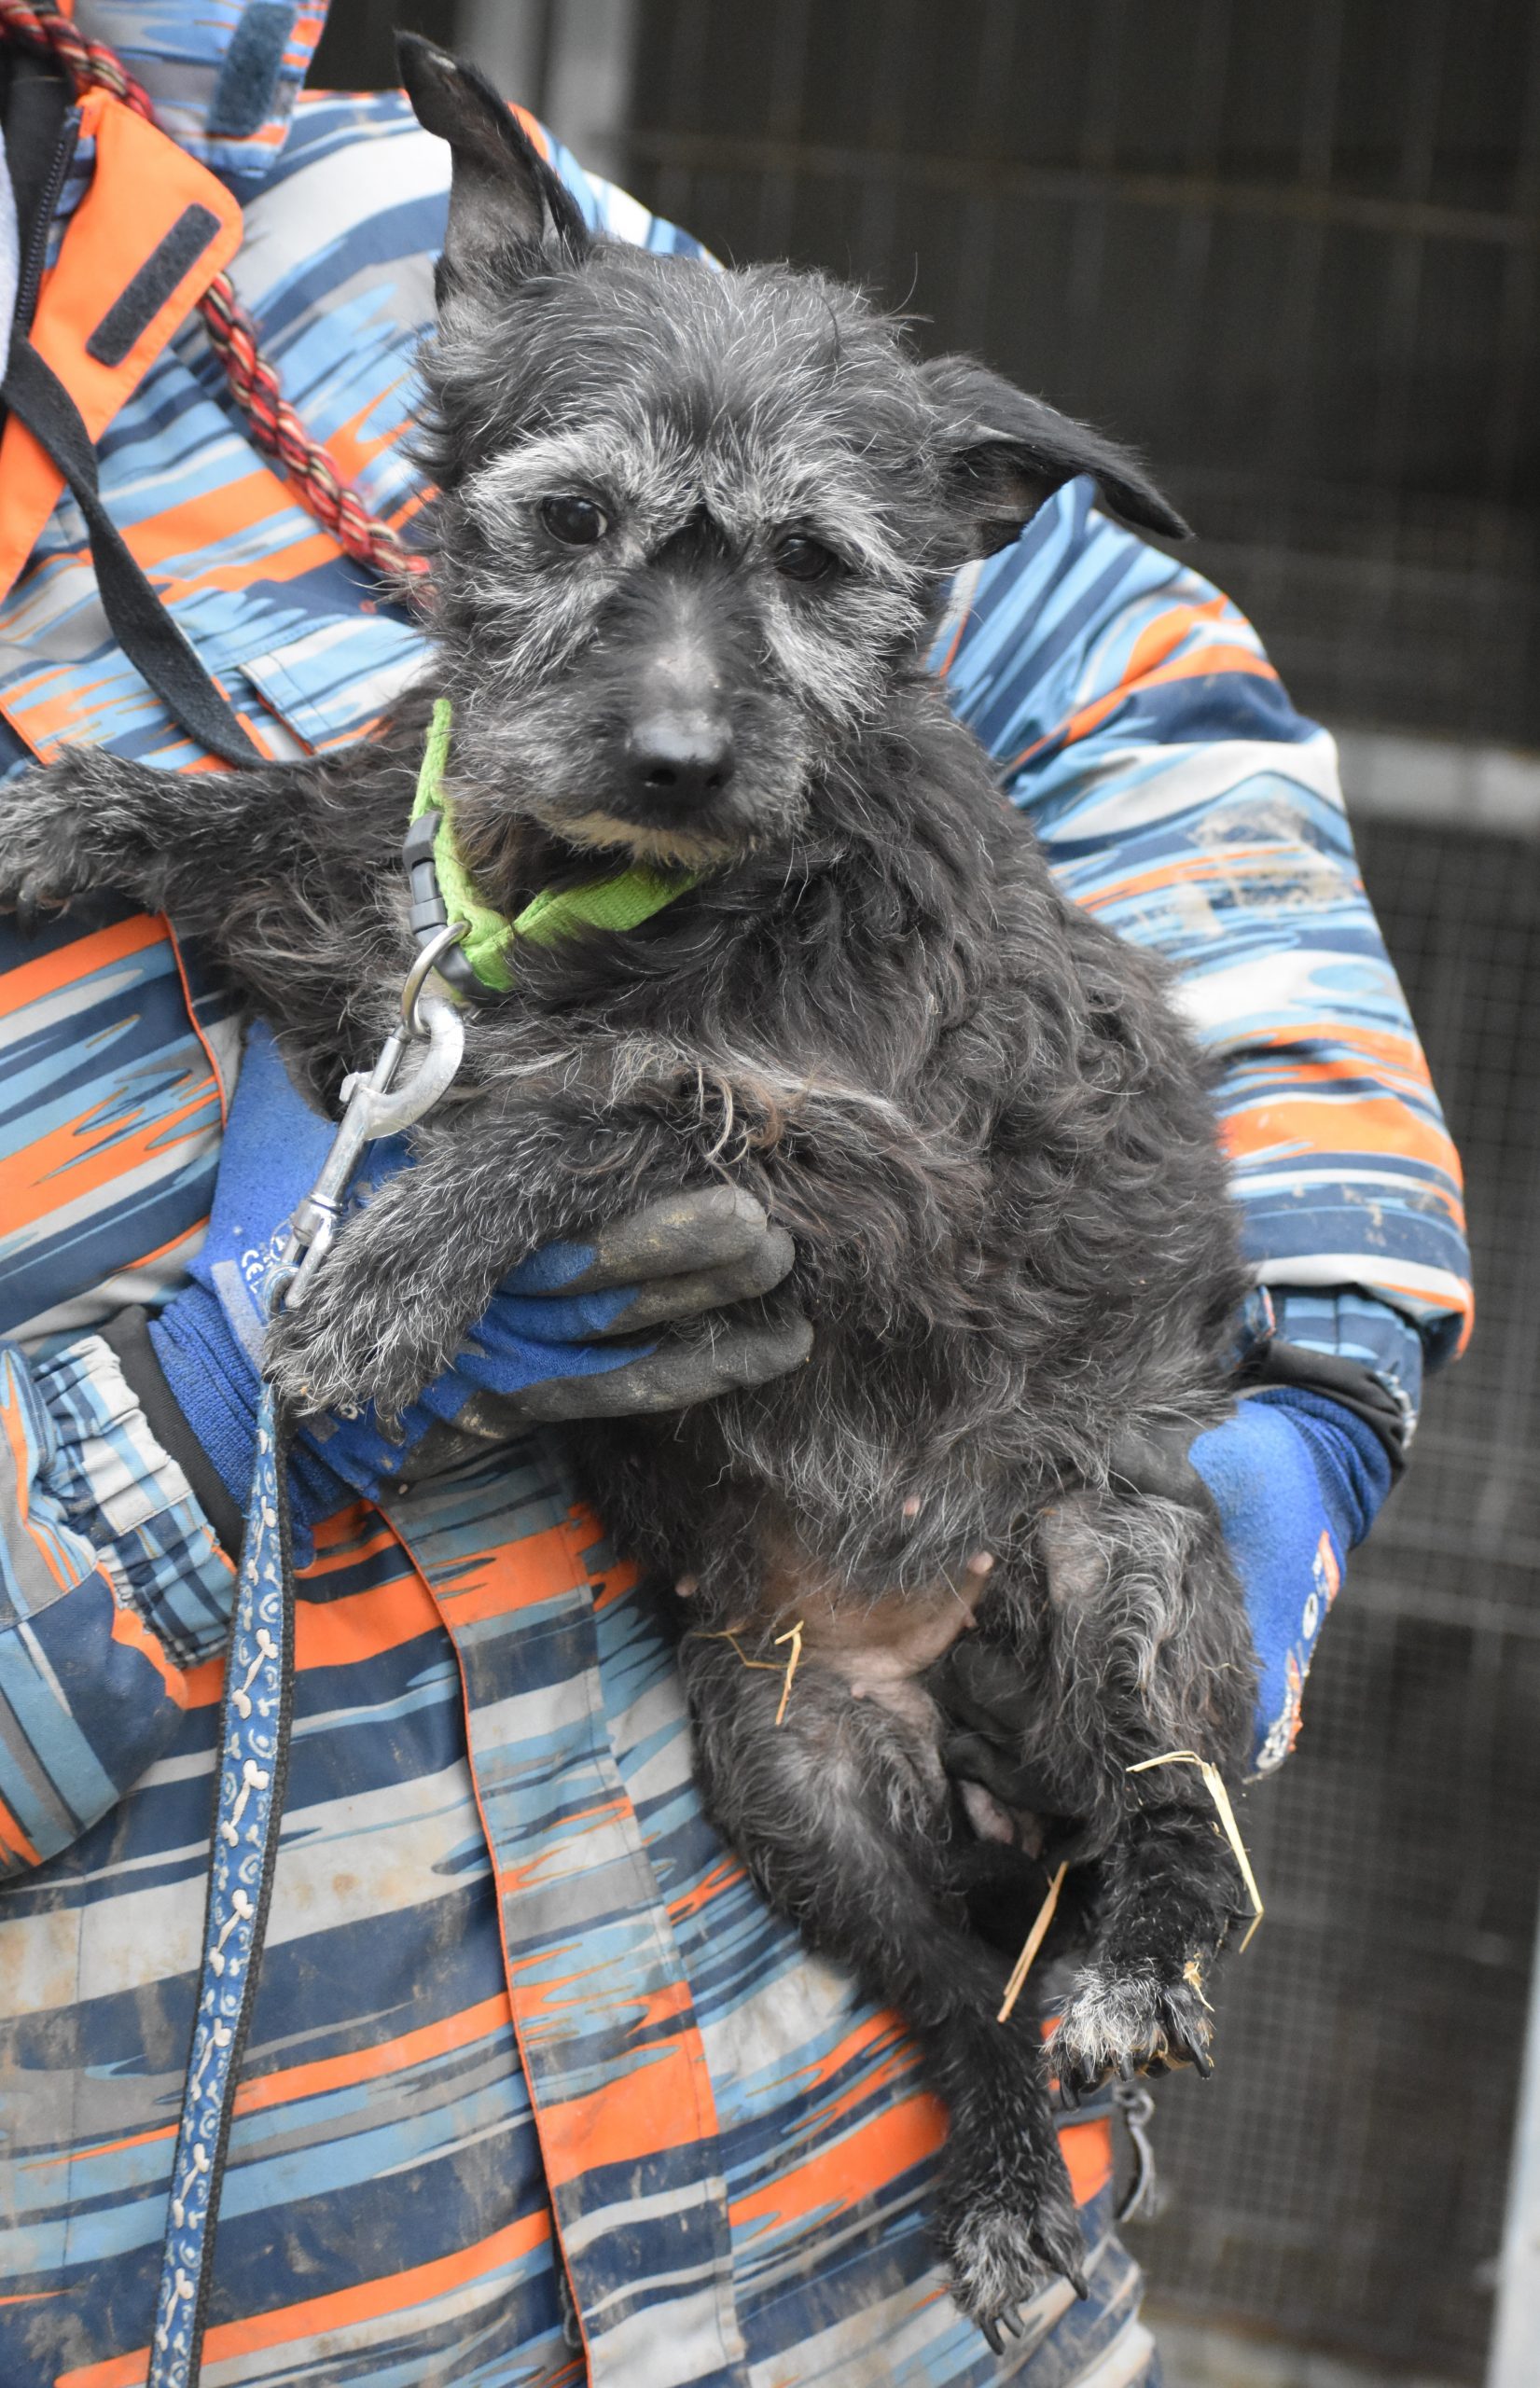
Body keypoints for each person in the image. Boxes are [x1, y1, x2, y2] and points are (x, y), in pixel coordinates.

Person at [0, 7, 1471, 2384]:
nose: (684, 714)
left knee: (1082, 1692)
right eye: (570, 530)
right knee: (804, 1742)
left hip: (867, 2272)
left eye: (793, 582)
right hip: (306, 2296)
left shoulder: (345, 232)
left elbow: (1141, 690)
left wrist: (1315, 1357)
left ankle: (1098, 1969)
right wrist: (178, 1440)